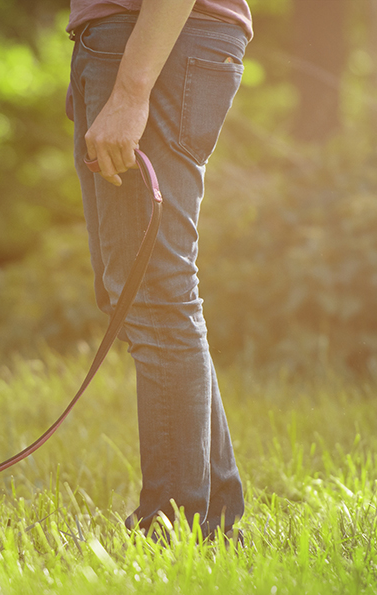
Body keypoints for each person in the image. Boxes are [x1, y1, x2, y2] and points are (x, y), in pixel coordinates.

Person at [67, 0, 252, 541]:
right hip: (138, 42)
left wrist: (129, 91)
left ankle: (173, 524)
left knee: (155, 293)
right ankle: (212, 518)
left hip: (155, 40)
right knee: (143, 290)